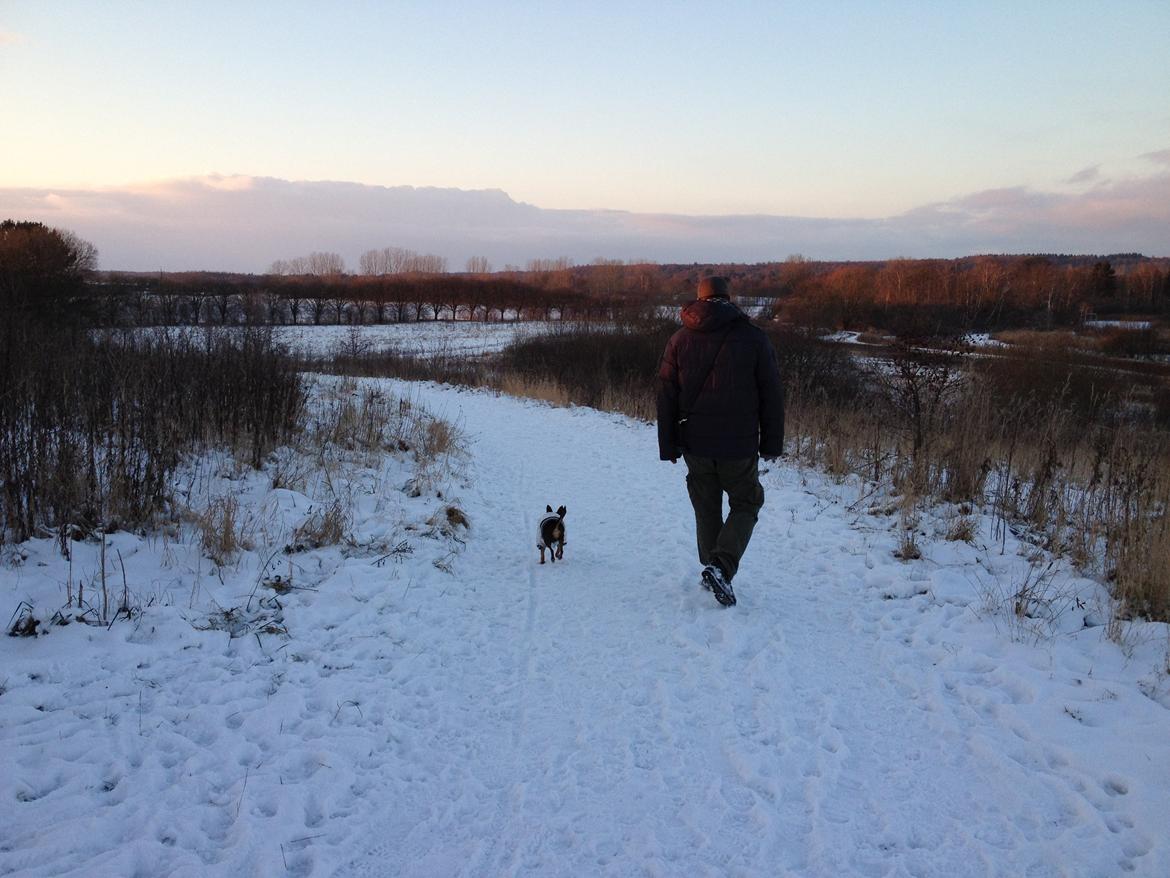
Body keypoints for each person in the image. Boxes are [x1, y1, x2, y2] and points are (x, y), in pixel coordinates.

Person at [656, 276, 785, 606]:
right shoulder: (754, 338)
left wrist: (668, 445)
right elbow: (771, 394)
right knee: (747, 502)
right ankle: (720, 566)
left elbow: (666, 394)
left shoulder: (679, 339)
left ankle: (713, 566)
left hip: (695, 443)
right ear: (728, 298)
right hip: (739, 445)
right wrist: (771, 444)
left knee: (706, 505)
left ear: (699, 300)